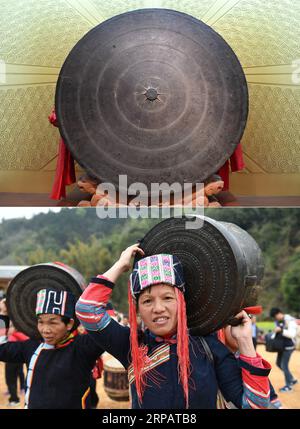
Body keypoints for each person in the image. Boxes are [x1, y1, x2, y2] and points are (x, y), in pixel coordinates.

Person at [76, 244, 272, 409]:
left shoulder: (209, 348)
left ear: (182, 302)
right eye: (147, 301)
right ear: (137, 310)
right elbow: (86, 309)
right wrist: (120, 265)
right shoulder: (131, 346)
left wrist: (245, 342)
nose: (158, 308)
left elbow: (256, 405)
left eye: (168, 298)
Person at [0, 288, 104, 409]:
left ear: (69, 324)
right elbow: (2, 349)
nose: (45, 330)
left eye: (53, 323)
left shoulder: (82, 347)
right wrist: (3, 314)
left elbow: (108, 334)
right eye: (41, 322)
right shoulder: (32, 346)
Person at [269, 307, 298, 392]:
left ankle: (289, 386)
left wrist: (281, 330)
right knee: (278, 363)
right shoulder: (278, 321)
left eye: (275, 316)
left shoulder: (290, 320)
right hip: (281, 346)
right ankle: (292, 379)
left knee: (284, 366)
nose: (275, 318)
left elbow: (292, 334)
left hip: (288, 347)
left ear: (279, 313)